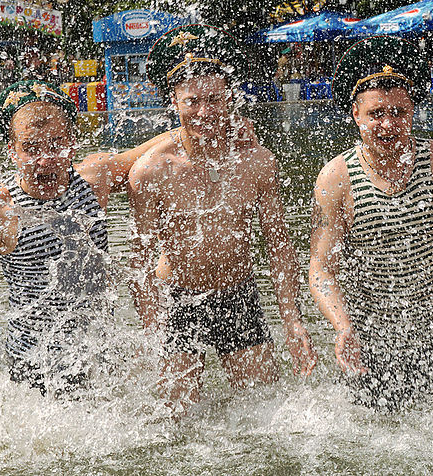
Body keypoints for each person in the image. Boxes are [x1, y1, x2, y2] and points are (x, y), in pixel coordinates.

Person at [0, 80, 172, 395]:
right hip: (32, 368)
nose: (46, 160)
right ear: (12, 151)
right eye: (31, 148)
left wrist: (226, 133)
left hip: (96, 356)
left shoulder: (93, 180)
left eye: (56, 144)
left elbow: (166, 145)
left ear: (73, 142)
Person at [127, 24, 316, 409]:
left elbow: (279, 246)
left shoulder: (257, 162)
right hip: (178, 299)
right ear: (174, 103)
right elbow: (141, 263)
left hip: (239, 294)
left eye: (214, 99)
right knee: (172, 425)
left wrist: (292, 320)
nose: (204, 112)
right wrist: (152, 332)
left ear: (229, 97)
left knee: (265, 413)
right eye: (192, 101)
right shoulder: (150, 171)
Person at [309, 36, 433, 410]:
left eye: (399, 112)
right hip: (371, 343)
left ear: (413, 110)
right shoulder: (336, 179)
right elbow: (320, 270)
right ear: (355, 115)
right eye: (376, 114)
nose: (388, 124)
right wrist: (342, 327)